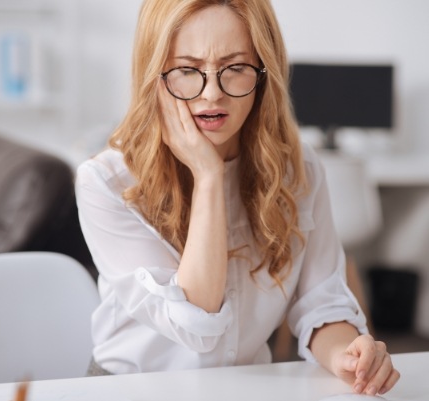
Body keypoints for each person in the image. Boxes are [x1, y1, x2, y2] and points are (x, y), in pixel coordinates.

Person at [75, 0, 400, 396]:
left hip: (244, 388)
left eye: (236, 69)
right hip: (130, 390)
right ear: (154, 74)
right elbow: (197, 322)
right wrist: (209, 176)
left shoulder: (300, 169)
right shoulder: (106, 182)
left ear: (264, 74)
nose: (212, 94)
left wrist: (350, 355)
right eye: (187, 70)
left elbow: (321, 304)